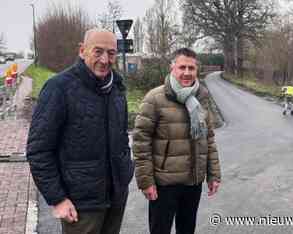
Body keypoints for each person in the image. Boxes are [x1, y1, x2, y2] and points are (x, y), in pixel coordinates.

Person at [26, 28, 134, 234]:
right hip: (80, 206)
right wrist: (58, 199)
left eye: (111, 53)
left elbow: (121, 138)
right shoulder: (59, 88)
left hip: (115, 198)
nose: (105, 60)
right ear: (82, 50)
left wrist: (125, 174)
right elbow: (38, 151)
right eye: (98, 52)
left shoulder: (117, 88)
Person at [132, 48, 221, 234]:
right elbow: (141, 142)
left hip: (193, 182)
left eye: (191, 68)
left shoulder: (202, 97)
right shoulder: (154, 99)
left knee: (187, 230)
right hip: (164, 184)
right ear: (172, 68)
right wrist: (146, 181)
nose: (187, 72)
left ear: (197, 70)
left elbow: (209, 139)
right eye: (182, 67)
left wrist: (214, 175)